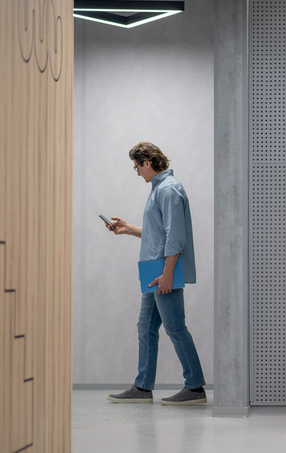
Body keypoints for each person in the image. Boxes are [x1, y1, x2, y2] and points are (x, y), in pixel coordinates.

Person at [105, 142, 207, 406]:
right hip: (153, 270)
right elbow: (158, 233)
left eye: (137, 166)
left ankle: (195, 387)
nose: (137, 172)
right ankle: (142, 387)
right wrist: (127, 228)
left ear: (148, 163)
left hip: (162, 271)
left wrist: (168, 274)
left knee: (175, 328)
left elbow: (176, 238)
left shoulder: (169, 190)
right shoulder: (158, 190)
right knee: (146, 328)